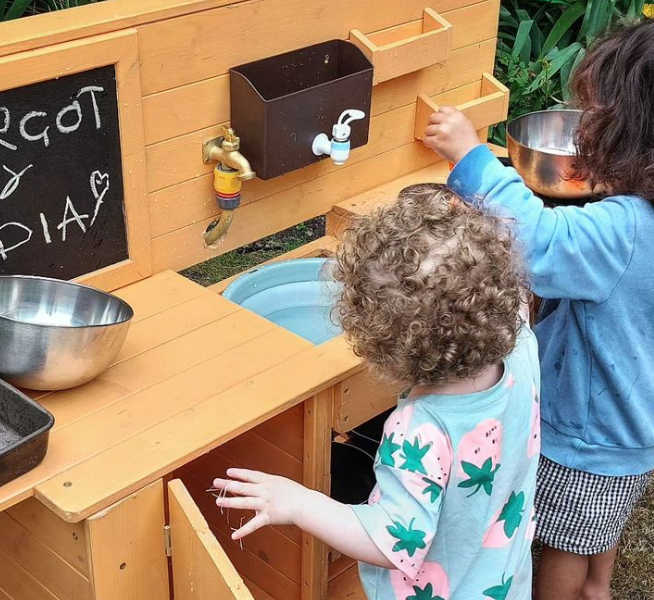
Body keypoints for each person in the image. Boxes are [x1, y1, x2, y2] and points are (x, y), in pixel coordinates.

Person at [421, 14, 654, 600]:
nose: (590, 121)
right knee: (599, 518)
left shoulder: (623, 229)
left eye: (601, 112)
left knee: (562, 540)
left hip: (589, 427)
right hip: (638, 413)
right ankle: (599, 589)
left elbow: (536, 244)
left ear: (638, 130)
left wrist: (473, 159)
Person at [213, 184, 541, 599]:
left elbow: (391, 540)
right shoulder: (522, 349)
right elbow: (502, 299)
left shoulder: (419, 429)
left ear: (384, 343)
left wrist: (298, 503)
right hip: (501, 581)